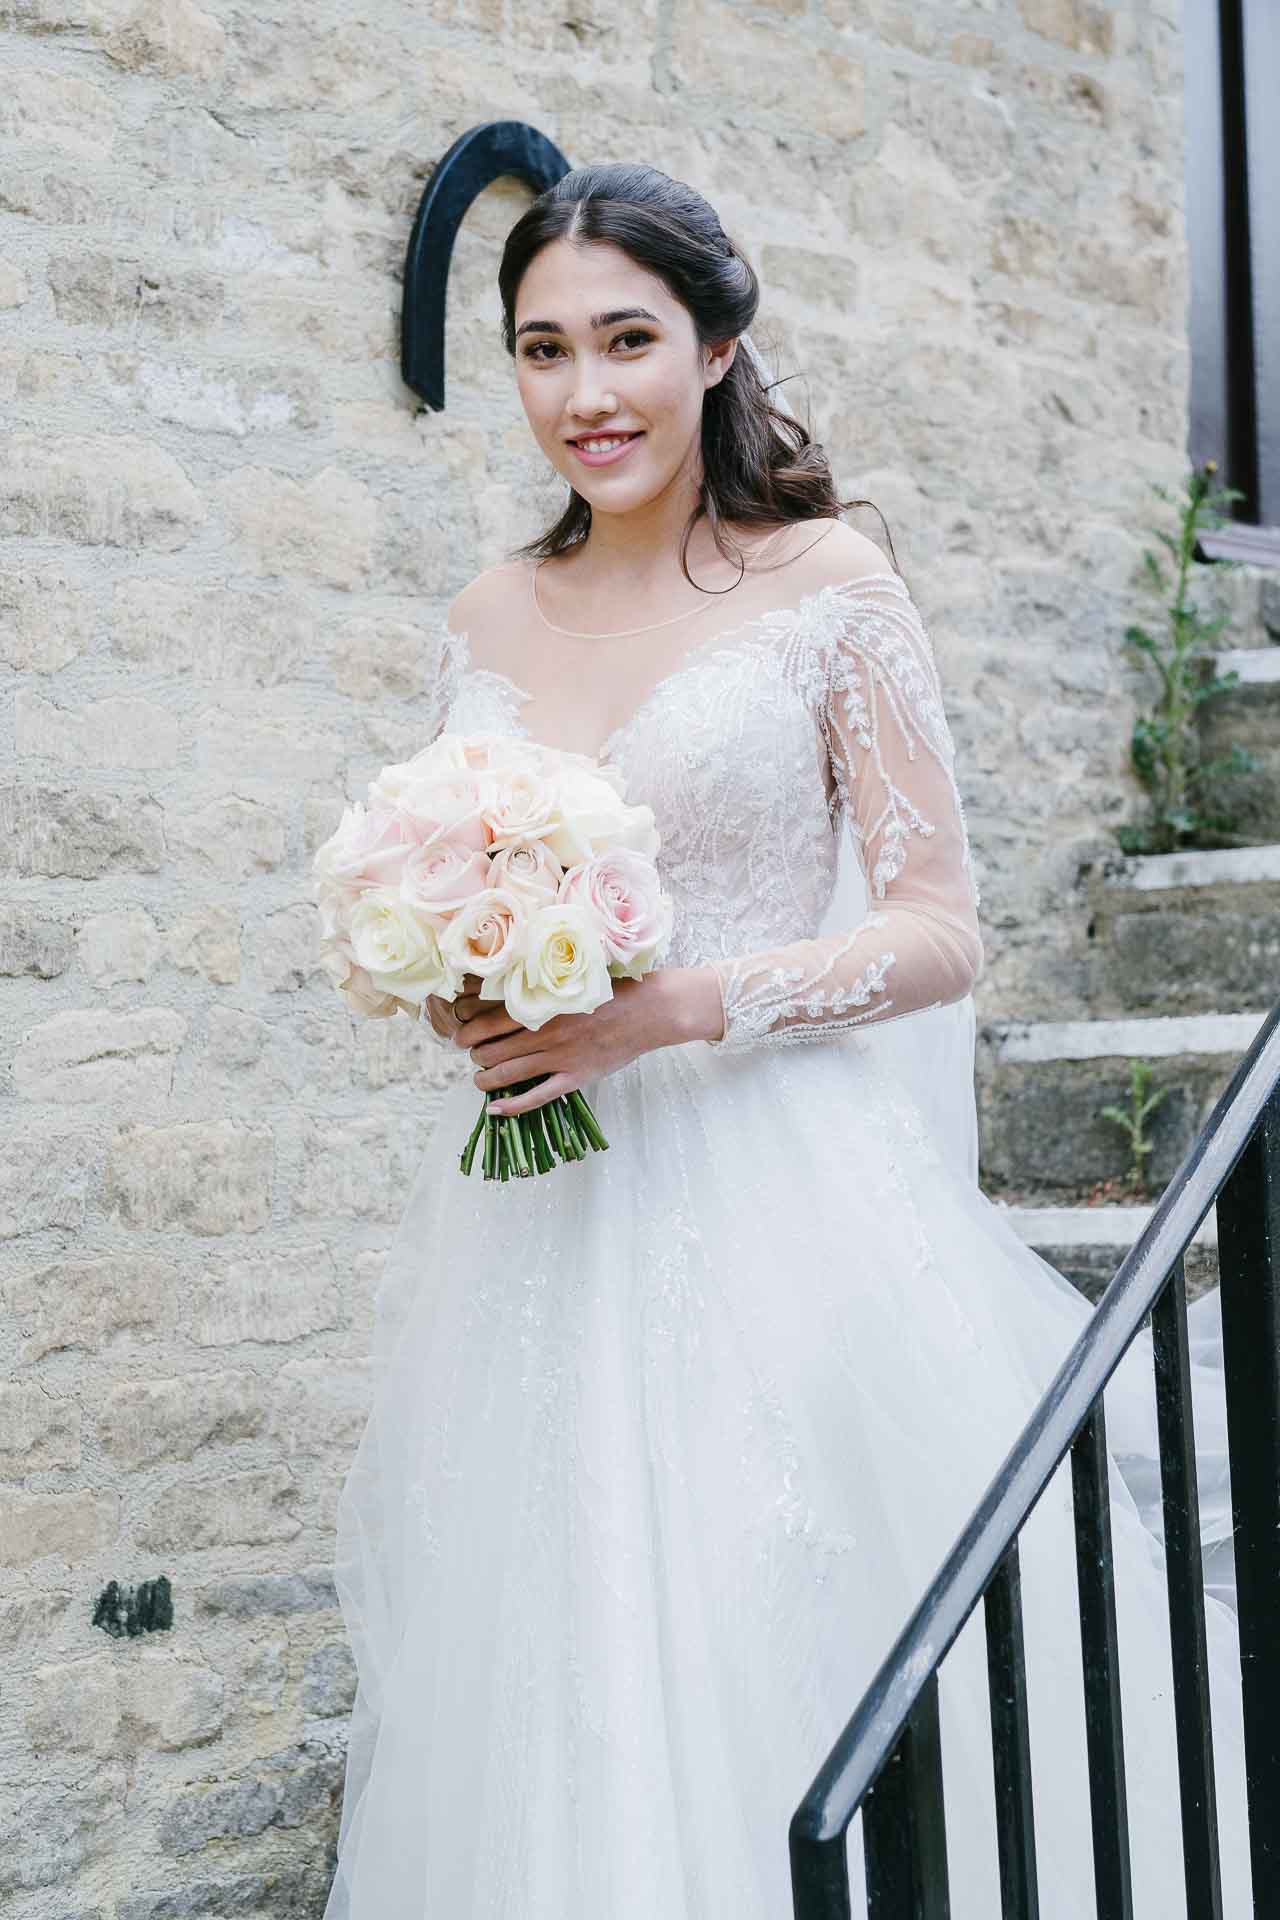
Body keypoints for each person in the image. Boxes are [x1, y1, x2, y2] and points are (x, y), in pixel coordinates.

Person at [321, 163, 1251, 1917]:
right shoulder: (483, 619)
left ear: (717, 343)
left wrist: (673, 1008)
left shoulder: (828, 585)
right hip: (543, 1223)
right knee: (556, 1654)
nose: (584, 395)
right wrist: (471, 972)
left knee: (786, 1624)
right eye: (539, 350)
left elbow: (937, 925)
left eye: (626, 341)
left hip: (777, 1201)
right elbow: (476, 862)